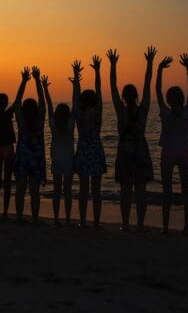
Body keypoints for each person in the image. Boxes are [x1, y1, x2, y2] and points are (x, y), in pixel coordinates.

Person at [109, 47, 155, 232]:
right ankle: (140, 225)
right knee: (141, 192)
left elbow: (112, 87)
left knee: (126, 192)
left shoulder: (121, 111)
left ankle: (126, 224)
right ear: (136, 96)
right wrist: (149, 63)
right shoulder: (142, 110)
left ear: (123, 97)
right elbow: (147, 84)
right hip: (141, 152)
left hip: (125, 153)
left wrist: (113, 65)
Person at [156, 54, 188, 234]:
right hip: (183, 152)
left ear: (169, 99)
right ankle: (186, 226)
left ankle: (165, 226)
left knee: (167, 191)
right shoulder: (187, 111)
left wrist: (159, 70)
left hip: (168, 152)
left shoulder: (165, 112)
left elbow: (157, 91)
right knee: (186, 189)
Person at [0, 68, 26, 219]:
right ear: (5, 103)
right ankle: (3, 212)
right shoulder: (8, 114)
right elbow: (18, 99)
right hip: (8, 148)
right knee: (7, 181)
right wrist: (23, 81)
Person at [74, 58, 107, 228]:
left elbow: (75, 98)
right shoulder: (97, 113)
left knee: (83, 189)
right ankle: (96, 222)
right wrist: (97, 71)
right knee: (96, 190)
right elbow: (100, 91)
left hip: (83, 151)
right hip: (95, 150)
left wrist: (76, 76)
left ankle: (82, 221)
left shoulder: (79, 115)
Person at [13, 66, 46, 225]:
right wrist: (37, 81)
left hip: (22, 158)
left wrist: (23, 82)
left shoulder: (22, 122)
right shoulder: (39, 121)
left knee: (20, 190)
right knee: (34, 191)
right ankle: (34, 219)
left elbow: (17, 103)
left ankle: (19, 218)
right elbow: (42, 102)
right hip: (35, 159)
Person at [42, 73, 76, 227]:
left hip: (56, 162)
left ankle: (56, 219)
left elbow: (49, 106)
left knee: (57, 192)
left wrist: (45, 88)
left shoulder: (54, 126)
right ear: (68, 114)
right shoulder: (70, 126)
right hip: (68, 161)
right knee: (67, 192)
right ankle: (68, 219)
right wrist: (75, 84)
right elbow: (75, 105)